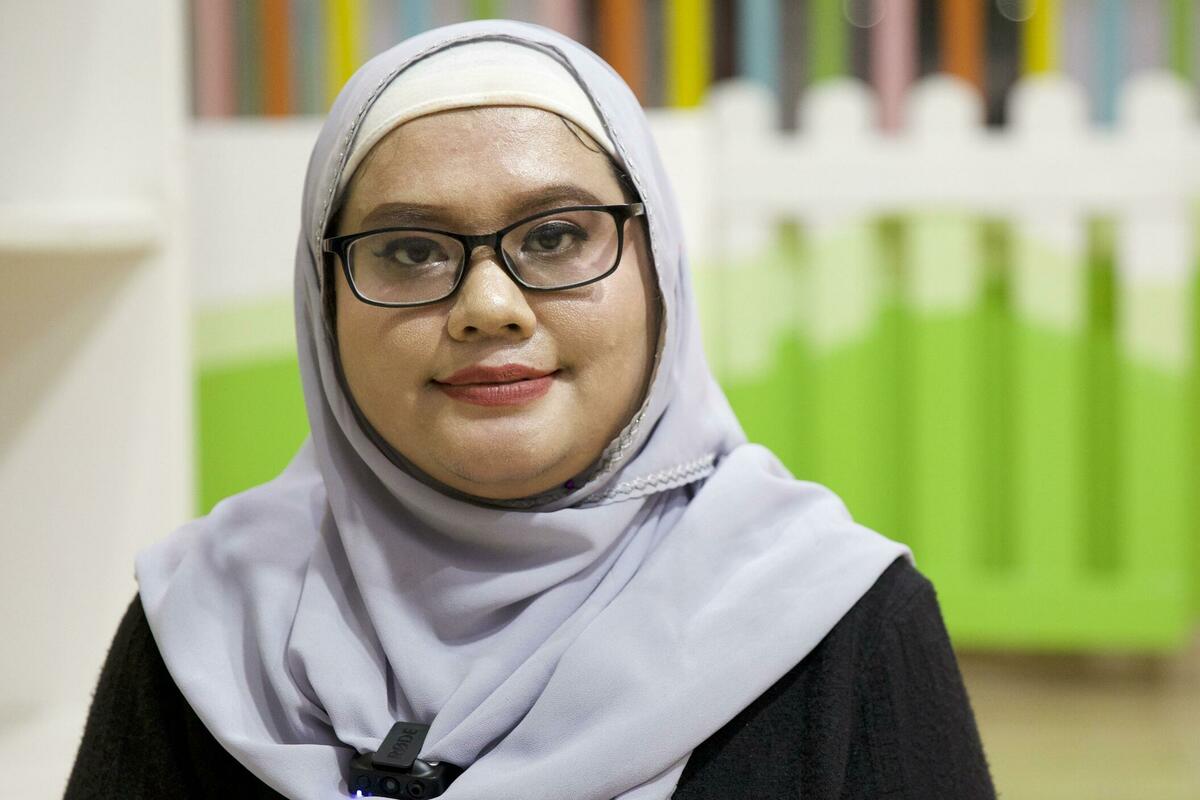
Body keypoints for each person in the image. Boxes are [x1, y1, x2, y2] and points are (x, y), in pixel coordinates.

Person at [65, 19, 995, 800]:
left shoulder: (837, 623)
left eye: (554, 236)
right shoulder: (208, 627)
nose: (489, 306)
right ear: (324, 301)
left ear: (657, 269)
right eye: (409, 251)